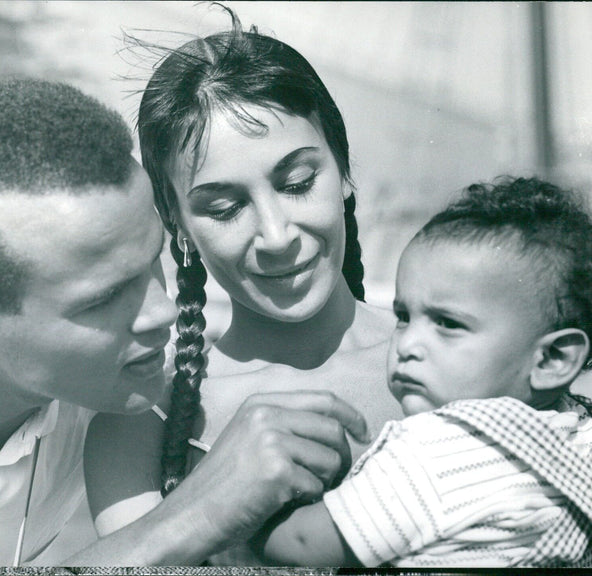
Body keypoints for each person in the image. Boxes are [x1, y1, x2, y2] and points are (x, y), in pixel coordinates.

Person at [0, 77, 369, 566]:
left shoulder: (112, 396)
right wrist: (195, 515)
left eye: (153, 262)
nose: (163, 312)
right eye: (104, 298)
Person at [85, 9, 399, 546]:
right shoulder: (143, 427)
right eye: (226, 208)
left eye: (298, 183)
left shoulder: (457, 359)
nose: (276, 235)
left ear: (344, 172)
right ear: (178, 227)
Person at [251, 177, 592, 568]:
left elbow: (301, 542)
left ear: (552, 359)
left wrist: (252, 513)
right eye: (404, 316)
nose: (407, 344)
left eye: (448, 323)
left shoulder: (429, 454)